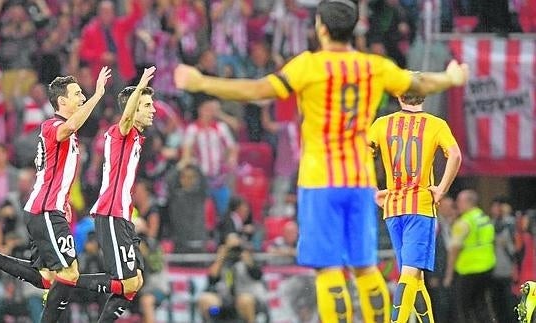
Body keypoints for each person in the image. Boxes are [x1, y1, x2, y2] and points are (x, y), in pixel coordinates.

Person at [173, 0, 468, 320]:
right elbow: (419, 84)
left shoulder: (309, 66)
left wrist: (202, 82)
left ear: (321, 28)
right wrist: (450, 78)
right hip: (358, 181)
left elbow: (257, 89)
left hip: (320, 180)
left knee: (329, 271)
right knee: (366, 269)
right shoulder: (373, 66)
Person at [0, 67, 112, 322]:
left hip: (49, 209)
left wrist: (64, 202)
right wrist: (98, 94)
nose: (82, 97)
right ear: (62, 101)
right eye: (77, 94)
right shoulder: (53, 125)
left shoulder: (67, 132)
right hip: (45, 210)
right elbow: (70, 128)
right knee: (69, 274)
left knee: (46, 278)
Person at [368, 92, 462, 323]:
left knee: (413, 276)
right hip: (419, 207)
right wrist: (441, 189)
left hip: (392, 208)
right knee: (410, 274)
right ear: (425, 95)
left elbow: (360, 155)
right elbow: (456, 156)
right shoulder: (436, 124)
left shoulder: (381, 124)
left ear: (399, 95)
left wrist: (372, 190)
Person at [81, 66, 157, 321]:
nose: (153, 110)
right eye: (146, 105)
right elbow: (125, 119)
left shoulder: (134, 137)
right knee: (128, 282)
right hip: (111, 214)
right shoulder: (120, 132)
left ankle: (67, 282)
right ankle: (66, 282)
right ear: (132, 109)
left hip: (122, 217)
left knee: (135, 281)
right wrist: (140, 84)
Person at [445, 189, 496, 323]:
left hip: (468, 270)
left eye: (459, 201)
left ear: (467, 202)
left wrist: (449, 275)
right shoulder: (483, 218)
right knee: (482, 305)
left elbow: (454, 249)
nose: (457, 204)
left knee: (464, 308)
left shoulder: (464, 222)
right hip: (487, 267)